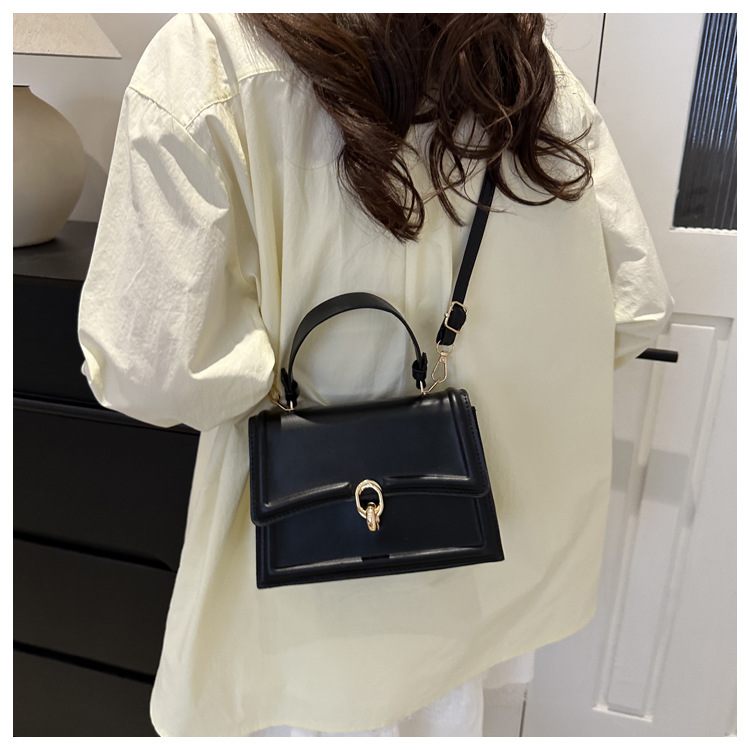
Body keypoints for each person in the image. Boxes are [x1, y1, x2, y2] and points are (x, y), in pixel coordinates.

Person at [77, 13, 672, 737]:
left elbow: (154, 368)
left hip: (301, 608)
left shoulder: (207, 56)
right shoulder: (518, 62)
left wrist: (277, 381)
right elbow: (633, 308)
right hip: (471, 573)